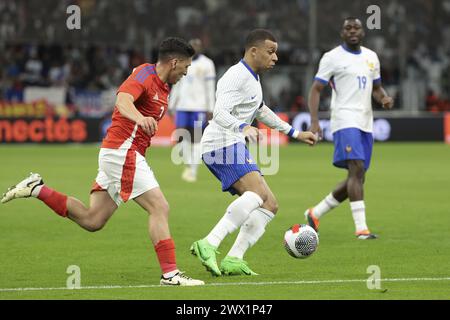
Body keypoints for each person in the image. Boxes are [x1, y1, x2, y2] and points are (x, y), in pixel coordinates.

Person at [1, 37, 204, 286]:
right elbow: (122, 101)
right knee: (159, 207)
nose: (186, 72)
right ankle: (170, 274)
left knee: (92, 220)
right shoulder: (144, 74)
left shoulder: (164, 86)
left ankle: (37, 188)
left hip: (119, 153)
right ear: (174, 62)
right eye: (186, 66)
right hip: (123, 152)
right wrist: (140, 119)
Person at [190, 29, 317, 276]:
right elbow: (219, 112)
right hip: (221, 143)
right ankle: (209, 243)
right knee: (258, 194)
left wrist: (294, 133)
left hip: (231, 142)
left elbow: (260, 110)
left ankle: (234, 258)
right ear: (254, 51)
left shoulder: (253, 78)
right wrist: (243, 126)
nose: (275, 58)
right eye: (271, 52)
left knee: (270, 204)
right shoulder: (236, 77)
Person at [303, 18, 394, 240]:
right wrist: (314, 121)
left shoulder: (371, 57)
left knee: (358, 175)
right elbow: (316, 89)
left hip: (365, 121)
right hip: (344, 118)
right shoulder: (332, 58)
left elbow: (376, 88)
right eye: (347, 28)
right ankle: (361, 229)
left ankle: (316, 213)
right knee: (356, 168)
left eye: (356, 28)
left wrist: (383, 98)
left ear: (363, 32)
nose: (352, 31)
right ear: (342, 33)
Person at [169, 39, 216, 182]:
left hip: (199, 107)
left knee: (196, 140)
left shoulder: (207, 64)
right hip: (182, 106)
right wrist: (172, 104)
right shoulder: (181, 61)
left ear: (201, 48)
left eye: (197, 46)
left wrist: (211, 108)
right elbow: (177, 84)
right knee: (181, 138)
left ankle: (193, 172)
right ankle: (189, 164)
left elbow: (210, 87)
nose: (195, 48)